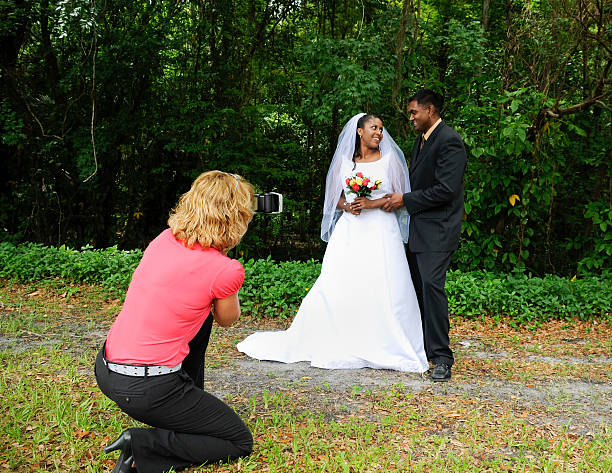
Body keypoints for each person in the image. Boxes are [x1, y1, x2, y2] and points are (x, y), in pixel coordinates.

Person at [237, 113, 428, 373]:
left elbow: (400, 198)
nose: (379, 133)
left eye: (382, 129)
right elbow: (333, 198)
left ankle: (384, 339)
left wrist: (372, 203)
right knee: (341, 281)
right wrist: (347, 205)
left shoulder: (390, 160)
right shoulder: (343, 162)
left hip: (382, 231)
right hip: (350, 231)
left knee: (384, 280)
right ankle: (339, 335)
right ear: (359, 131)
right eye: (374, 128)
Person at [94, 171, 255, 473]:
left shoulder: (164, 239)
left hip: (107, 370)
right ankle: (140, 446)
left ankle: (188, 401)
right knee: (238, 440)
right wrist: (227, 272)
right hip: (147, 389)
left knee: (195, 314)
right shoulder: (226, 269)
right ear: (237, 219)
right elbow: (228, 319)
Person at [383, 89, 467, 382]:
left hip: (439, 230)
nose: (411, 117)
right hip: (418, 230)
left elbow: (446, 190)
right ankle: (422, 348)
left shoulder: (450, 141)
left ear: (430, 110)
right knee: (416, 289)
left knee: (432, 288)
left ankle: (443, 357)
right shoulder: (421, 140)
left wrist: (405, 199)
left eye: (414, 112)